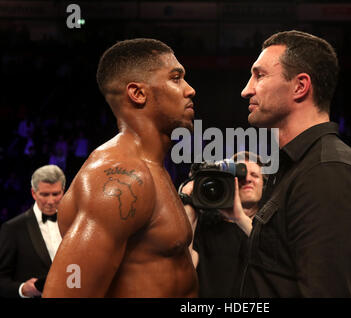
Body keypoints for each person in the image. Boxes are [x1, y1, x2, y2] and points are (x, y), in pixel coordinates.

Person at [42, 38, 198, 297]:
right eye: (176, 78)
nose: (190, 90)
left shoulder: (150, 167)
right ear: (137, 93)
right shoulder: (118, 178)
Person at [239, 30, 351, 297]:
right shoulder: (300, 167)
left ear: (300, 86)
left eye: (259, 75)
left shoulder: (329, 173)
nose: (246, 89)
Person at [182, 151, 265, 297]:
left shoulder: (272, 227)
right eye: (240, 175)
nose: (247, 179)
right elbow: (185, 268)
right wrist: (189, 205)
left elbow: (274, 258)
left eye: (255, 175)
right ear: (227, 180)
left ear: (264, 184)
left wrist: (240, 219)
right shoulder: (206, 225)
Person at [0, 165, 65, 298]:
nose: (51, 201)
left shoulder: (73, 224)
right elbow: (2, 279)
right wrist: (22, 289)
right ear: (33, 193)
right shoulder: (13, 229)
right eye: (45, 194)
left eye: (56, 194)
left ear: (63, 191)